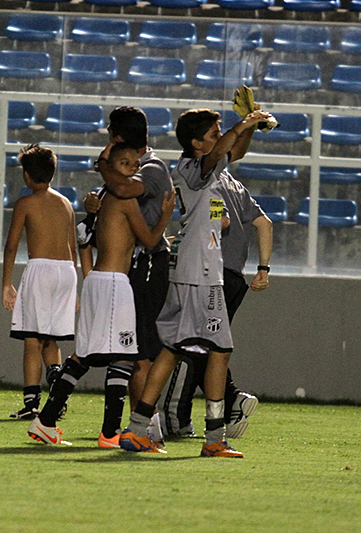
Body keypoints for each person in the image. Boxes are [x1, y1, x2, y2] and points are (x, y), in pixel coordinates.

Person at [119, 106, 274, 457]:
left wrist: (249, 127)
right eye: (213, 134)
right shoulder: (192, 167)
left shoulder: (208, 175)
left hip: (196, 267)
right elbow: (221, 153)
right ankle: (214, 437)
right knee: (220, 350)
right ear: (196, 144)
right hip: (201, 273)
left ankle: (137, 429)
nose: (219, 140)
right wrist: (244, 123)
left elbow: (231, 159)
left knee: (173, 349)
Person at [27, 143, 175, 446]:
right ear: (111, 166)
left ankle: (45, 421)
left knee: (83, 354)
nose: (133, 168)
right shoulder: (124, 198)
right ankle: (110, 433)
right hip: (113, 282)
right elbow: (149, 241)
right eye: (125, 163)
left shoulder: (103, 196)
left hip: (98, 279)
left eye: (135, 163)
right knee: (124, 355)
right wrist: (165, 215)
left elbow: (86, 238)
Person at [159, 146, 273, 439]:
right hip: (235, 277)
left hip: (211, 272)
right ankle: (231, 402)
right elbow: (264, 223)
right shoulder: (235, 185)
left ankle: (176, 417)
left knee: (190, 344)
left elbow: (219, 222)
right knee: (212, 346)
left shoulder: (208, 184)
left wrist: (179, 240)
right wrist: (263, 268)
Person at [81, 106, 174, 447]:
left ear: (118, 137)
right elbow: (113, 195)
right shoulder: (126, 168)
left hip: (148, 265)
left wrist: (102, 164)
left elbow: (122, 190)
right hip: (130, 267)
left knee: (141, 352)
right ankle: (141, 427)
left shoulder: (149, 169)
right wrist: (93, 203)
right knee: (133, 351)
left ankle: (145, 428)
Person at [2, 144, 78, 420]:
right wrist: (75, 287)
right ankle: (56, 394)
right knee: (52, 339)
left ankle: (31, 404)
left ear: (26, 174)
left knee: (32, 339)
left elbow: (11, 245)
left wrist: (6, 283)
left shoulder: (26, 203)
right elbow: (72, 245)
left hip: (41, 269)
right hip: (67, 271)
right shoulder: (66, 203)